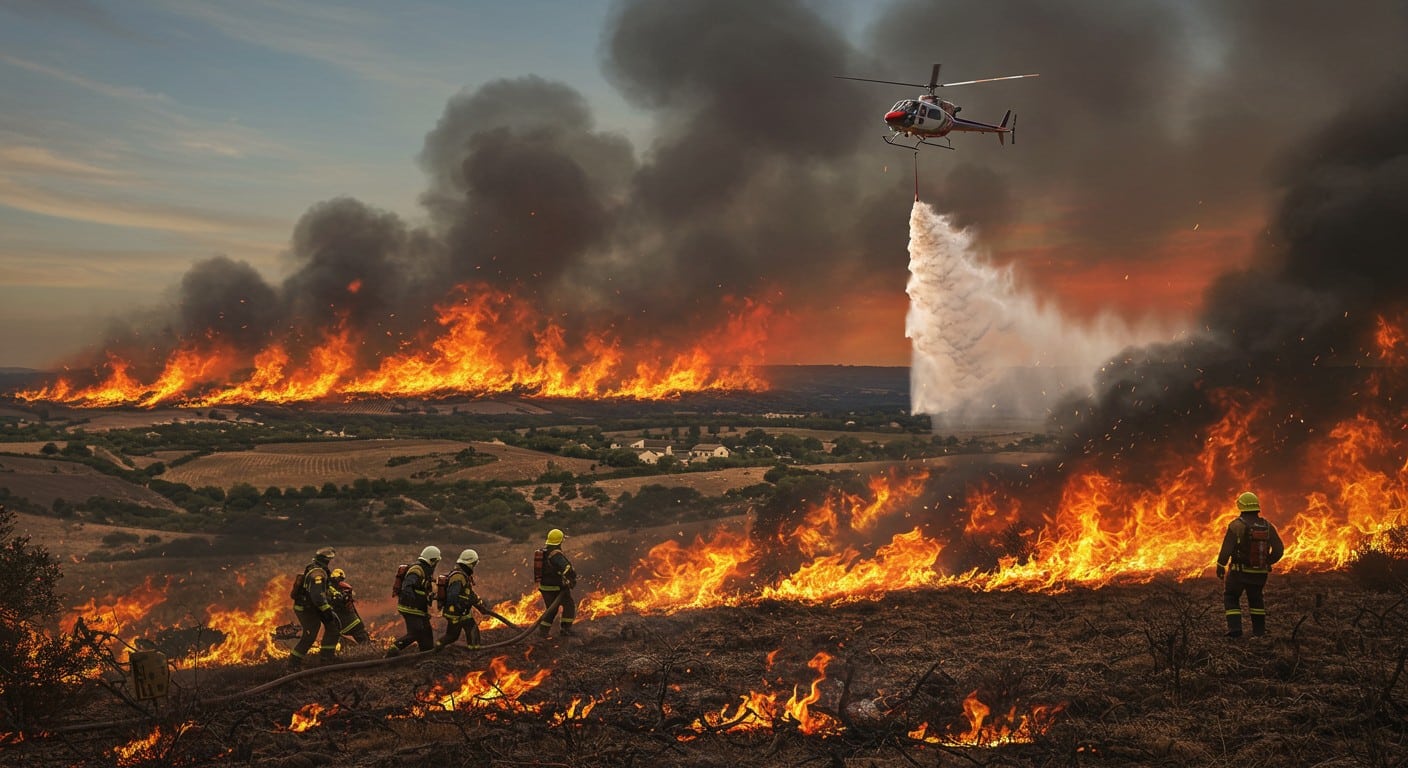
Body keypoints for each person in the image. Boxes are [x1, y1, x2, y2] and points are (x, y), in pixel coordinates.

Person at [1215, 491, 1285, 638]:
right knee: (1256, 599)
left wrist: (1220, 565)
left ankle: (1235, 629)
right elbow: (1279, 549)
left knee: (1231, 597)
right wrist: (1267, 561)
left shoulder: (1236, 526)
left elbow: (1226, 548)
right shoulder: (1267, 526)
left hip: (1238, 573)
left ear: (1240, 506)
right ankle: (1259, 632)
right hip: (1259, 573)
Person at [289, 546, 341, 668]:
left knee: (334, 626)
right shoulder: (317, 574)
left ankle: (327, 658)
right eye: (329, 559)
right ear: (325, 560)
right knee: (310, 635)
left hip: (313, 606)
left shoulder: (318, 569)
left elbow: (325, 587)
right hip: (306, 608)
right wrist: (327, 610)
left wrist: (335, 593)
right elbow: (317, 596)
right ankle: (293, 664)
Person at [386, 546, 441, 656]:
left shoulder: (425, 570)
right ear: (432, 560)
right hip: (410, 608)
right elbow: (407, 586)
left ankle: (426, 654)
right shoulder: (417, 570)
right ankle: (394, 649)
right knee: (416, 633)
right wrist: (415, 600)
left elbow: (421, 589)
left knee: (427, 632)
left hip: (419, 609)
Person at [437, 549, 487, 649]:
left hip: (461, 611)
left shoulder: (463, 575)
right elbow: (452, 595)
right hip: (456, 612)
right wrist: (459, 605)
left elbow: (468, 592)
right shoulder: (458, 576)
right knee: (453, 635)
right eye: (473, 564)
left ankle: (474, 648)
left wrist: (478, 601)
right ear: (470, 563)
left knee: (469, 629)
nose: (474, 566)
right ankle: (437, 646)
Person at [536, 528, 578, 638]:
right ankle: (566, 629)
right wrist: (571, 578)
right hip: (556, 587)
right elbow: (567, 567)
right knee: (569, 605)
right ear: (560, 541)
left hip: (545, 587)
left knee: (551, 610)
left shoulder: (544, 552)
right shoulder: (555, 554)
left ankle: (543, 632)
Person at [328, 567, 370, 644]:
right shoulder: (342, 589)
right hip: (352, 622)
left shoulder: (327, 590)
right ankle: (368, 650)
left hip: (341, 625)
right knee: (364, 640)